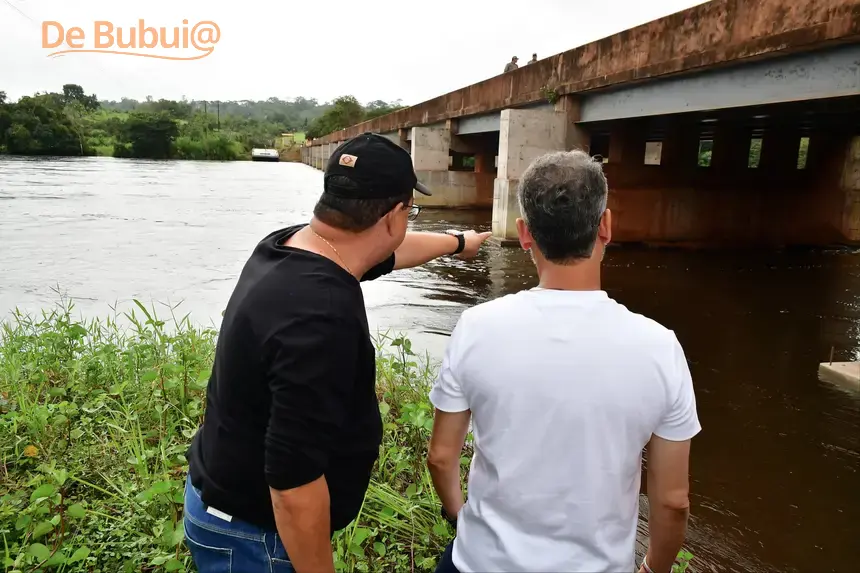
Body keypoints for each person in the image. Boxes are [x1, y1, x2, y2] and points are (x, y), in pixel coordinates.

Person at [184, 132, 492, 573]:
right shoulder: (322, 318)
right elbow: (293, 485)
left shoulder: (291, 245)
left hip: (222, 502)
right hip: (256, 536)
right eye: (411, 209)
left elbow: (390, 251)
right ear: (392, 215)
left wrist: (458, 242)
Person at [426, 149, 701, 573]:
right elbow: (671, 500)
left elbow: (442, 457)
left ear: (524, 233)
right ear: (606, 225)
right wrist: (654, 567)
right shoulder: (660, 347)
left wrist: (459, 516)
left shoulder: (476, 326)